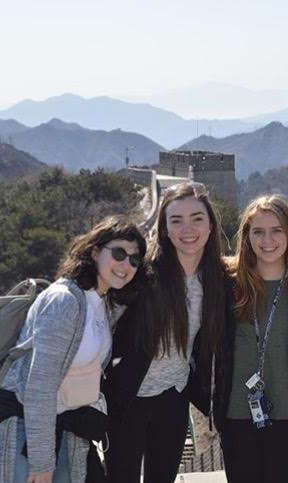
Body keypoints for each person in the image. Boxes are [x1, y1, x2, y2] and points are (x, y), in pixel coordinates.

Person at [0, 216, 147, 483]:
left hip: (66, 428)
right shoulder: (64, 300)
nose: (126, 265)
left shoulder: (102, 302)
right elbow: (39, 385)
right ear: (95, 251)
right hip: (27, 431)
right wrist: (41, 463)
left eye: (134, 259)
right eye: (119, 253)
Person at [105, 182, 227, 483]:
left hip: (173, 397)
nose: (188, 229)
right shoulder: (142, 276)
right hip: (128, 397)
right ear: (164, 229)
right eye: (176, 220)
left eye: (197, 218)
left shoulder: (217, 280)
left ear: (210, 226)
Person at [214, 195, 288, 483]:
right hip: (237, 411)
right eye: (258, 231)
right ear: (246, 236)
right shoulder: (229, 284)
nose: (268, 240)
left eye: (277, 230)